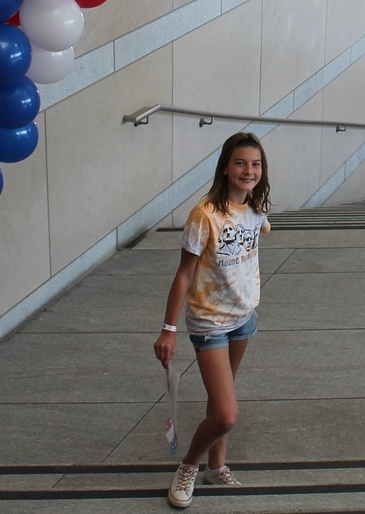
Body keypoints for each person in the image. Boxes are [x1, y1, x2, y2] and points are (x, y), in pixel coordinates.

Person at [156, 132, 273, 508]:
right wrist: (169, 330)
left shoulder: (255, 208)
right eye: (240, 163)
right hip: (209, 322)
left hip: (243, 318)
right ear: (225, 166)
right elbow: (184, 275)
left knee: (221, 397)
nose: (248, 170)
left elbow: (257, 235)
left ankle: (215, 465)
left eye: (255, 164)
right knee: (225, 415)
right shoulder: (204, 214)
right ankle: (189, 465)